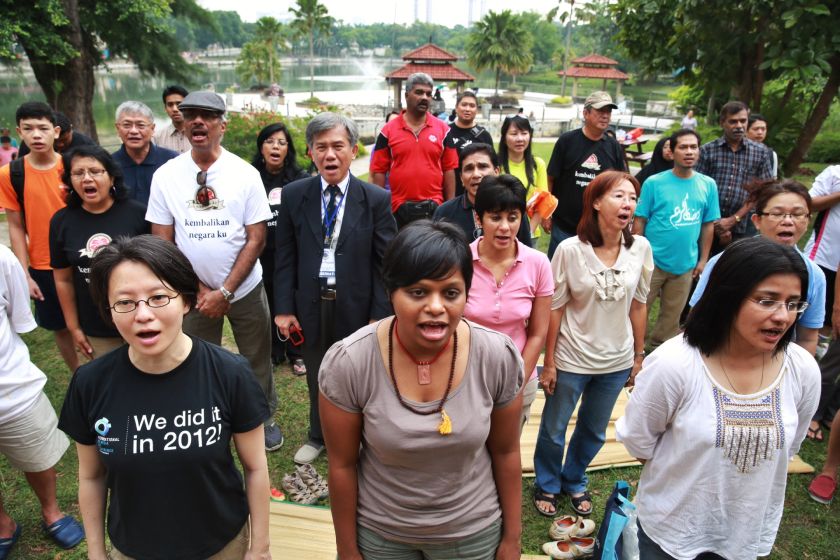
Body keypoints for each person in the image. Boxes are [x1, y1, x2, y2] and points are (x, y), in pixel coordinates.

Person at [319, 220, 524, 560]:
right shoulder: (351, 362)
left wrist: (512, 539)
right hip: (381, 534)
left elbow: (506, 453)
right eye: (418, 292)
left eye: (451, 293)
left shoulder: (495, 357)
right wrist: (347, 549)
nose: (435, 307)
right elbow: (341, 465)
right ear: (390, 293)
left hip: (471, 533)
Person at [58, 235, 272, 560]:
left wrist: (260, 548)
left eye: (158, 297)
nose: (142, 314)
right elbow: (91, 475)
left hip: (222, 546)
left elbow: (255, 468)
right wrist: (96, 553)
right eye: (125, 302)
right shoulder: (90, 384)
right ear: (109, 311)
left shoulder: (230, 373)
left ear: (186, 301)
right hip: (133, 550)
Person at [616, 236, 820, 560]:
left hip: (744, 536)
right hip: (670, 533)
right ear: (727, 298)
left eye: (793, 303)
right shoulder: (675, 365)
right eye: (767, 301)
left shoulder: (802, 370)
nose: (782, 316)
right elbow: (639, 441)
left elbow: (790, 445)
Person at [145, 91, 282, 451]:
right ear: (183, 122)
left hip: (246, 288)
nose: (197, 122)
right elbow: (163, 241)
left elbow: (256, 239)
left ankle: (262, 414)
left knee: (256, 355)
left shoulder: (245, 173)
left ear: (223, 124)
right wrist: (203, 289)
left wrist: (227, 291)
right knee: (195, 356)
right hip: (192, 292)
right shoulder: (166, 176)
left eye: (207, 116)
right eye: (190, 115)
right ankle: (205, 415)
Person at [274, 112, 396, 465]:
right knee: (318, 371)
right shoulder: (295, 195)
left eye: (338, 146)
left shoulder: (374, 199)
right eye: (321, 147)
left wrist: (378, 313)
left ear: (353, 150)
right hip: (310, 303)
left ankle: (361, 436)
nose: (330, 155)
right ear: (311, 152)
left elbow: (383, 264)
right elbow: (285, 255)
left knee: (359, 374)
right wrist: (284, 307)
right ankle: (318, 434)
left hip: (357, 306)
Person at [534, 170, 652, 517]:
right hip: (571, 359)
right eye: (619, 195)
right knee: (554, 429)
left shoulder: (641, 248)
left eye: (632, 197)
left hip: (615, 362)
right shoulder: (570, 250)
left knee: (594, 430)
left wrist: (638, 354)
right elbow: (554, 309)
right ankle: (547, 483)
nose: (627, 203)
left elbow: (640, 304)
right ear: (596, 202)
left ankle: (573, 479)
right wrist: (550, 362)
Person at [0, 244, 84, 558]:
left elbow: (18, 318)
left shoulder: (2, 259)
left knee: (36, 455)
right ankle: (2, 524)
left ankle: (52, 512)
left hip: (10, 388)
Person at [691, 180, 825, 356]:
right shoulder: (725, 262)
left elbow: (807, 337)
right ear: (757, 220)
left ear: (808, 220)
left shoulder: (814, 275)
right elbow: (697, 318)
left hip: (773, 367)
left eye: (798, 214)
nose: (788, 221)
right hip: (719, 357)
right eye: (777, 214)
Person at [464, 175, 552, 428]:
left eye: (512, 217)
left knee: (506, 452)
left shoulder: (538, 264)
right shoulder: (459, 261)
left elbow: (538, 333)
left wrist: (517, 382)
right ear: (479, 219)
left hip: (518, 375)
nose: (504, 227)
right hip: (467, 376)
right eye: (495, 217)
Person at [50, 145, 150, 362]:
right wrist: (74, 327)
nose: (87, 179)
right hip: (95, 324)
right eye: (78, 173)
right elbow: (63, 280)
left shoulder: (138, 214)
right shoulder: (61, 222)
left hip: (141, 317)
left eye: (95, 171)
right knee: (110, 387)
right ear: (69, 180)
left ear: (112, 177)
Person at [0, 101, 79, 372]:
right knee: (60, 326)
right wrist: (25, 273)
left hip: (80, 258)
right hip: (44, 265)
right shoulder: (11, 174)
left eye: (43, 128)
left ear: (55, 131)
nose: (36, 135)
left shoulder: (73, 168)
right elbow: (15, 226)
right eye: (28, 129)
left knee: (97, 320)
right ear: (19, 132)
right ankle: (78, 375)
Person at [634, 129, 719, 349]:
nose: (689, 152)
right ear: (671, 152)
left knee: (672, 317)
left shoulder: (707, 185)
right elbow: (640, 220)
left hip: (685, 264)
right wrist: (635, 254)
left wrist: (703, 260)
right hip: (651, 261)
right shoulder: (654, 183)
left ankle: (658, 350)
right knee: (636, 308)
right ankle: (631, 349)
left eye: (693, 147)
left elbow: (708, 224)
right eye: (683, 147)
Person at [251, 122, 309, 374]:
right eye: (270, 141)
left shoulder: (300, 178)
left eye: (281, 143)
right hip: (260, 252)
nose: (275, 147)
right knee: (270, 302)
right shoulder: (249, 177)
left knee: (293, 300)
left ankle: (297, 353)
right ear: (261, 146)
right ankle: (274, 352)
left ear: (288, 149)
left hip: (293, 252)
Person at [370, 72, 459, 228]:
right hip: (397, 208)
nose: (424, 97)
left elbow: (449, 170)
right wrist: (380, 210)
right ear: (406, 95)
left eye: (428, 94)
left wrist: (449, 207)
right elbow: (378, 171)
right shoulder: (387, 131)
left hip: (435, 208)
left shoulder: (444, 130)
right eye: (419, 92)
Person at [545, 91, 626, 259]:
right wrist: (547, 214)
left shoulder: (613, 147)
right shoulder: (567, 141)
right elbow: (551, 178)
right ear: (586, 113)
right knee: (555, 279)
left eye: (608, 112)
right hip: (564, 226)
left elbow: (622, 185)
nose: (605, 116)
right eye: (600, 111)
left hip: (598, 229)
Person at [695, 101, 774, 253]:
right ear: (722, 123)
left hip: (744, 225)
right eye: (733, 121)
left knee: (736, 269)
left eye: (743, 121)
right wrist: (716, 223)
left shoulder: (760, 152)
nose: (739, 126)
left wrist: (733, 219)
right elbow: (697, 189)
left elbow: (763, 190)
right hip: (707, 223)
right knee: (702, 269)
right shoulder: (707, 151)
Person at [433, 143, 531, 246]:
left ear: (496, 172)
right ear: (461, 178)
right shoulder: (445, 212)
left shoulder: (512, 208)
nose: (476, 174)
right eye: (469, 169)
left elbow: (526, 251)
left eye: (483, 166)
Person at [111, 101, 178, 205]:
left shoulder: (172, 161)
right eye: (127, 125)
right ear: (117, 128)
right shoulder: (109, 164)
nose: (133, 131)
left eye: (140, 125)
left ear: (152, 129)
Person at [498, 115, 549, 239]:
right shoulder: (496, 165)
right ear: (504, 137)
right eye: (514, 134)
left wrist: (528, 233)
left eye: (524, 133)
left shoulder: (538, 165)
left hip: (530, 233)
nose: (520, 138)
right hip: (501, 232)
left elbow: (543, 201)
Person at [443, 91, 493, 196]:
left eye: (472, 106)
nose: (467, 109)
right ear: (456, 108)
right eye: (464, 105)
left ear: (476, 110)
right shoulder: (445, 132)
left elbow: (491, 166)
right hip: (450, 191)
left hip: (478, 192)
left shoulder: (484, 135)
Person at [17, 111, 96, 158]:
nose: (60, 145)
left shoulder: (86, 144)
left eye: (65, 140)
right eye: (55, 141)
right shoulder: (32, 143)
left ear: (71, 129)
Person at [153, 84, 191, 153]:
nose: (175, 109)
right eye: (170, 105)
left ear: (188, 105)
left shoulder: (199, 134)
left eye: (179, 103)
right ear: (165, 108)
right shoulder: (157, 138)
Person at [747, 113, 778, 178]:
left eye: (763, 129)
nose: (760, 132)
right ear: (745, 131)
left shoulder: (771, 154)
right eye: (756, 129)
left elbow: (773, 179)